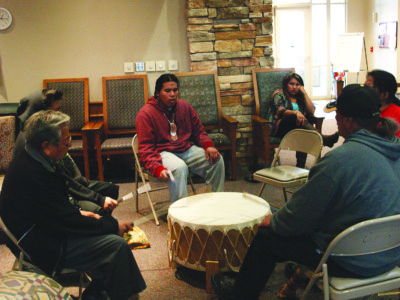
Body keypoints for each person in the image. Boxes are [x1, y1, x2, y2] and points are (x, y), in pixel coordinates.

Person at [211, 84, 400, 300]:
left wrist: (274, 221)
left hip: (350, 260)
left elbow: (298, 217)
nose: (336, 119)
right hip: (390, 253)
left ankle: (240, 294)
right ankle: (298, 269)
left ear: (348, 121)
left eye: (337, 114)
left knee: (267, 236)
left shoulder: (340, 161)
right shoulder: (395, 149)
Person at [0, 110, 146, 300]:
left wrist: (81, 212)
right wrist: (111, 225)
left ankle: (105, 292)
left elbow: (55, 209)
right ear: (47, 146)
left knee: (105, 229)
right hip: (43, 245)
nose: (69, 145)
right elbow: (63, 220)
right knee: (116, 245)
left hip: (46, 229)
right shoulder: (32, 174)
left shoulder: (34, 156)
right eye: (66, 141)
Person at [13, 89, 119, 215]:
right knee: (100, 212)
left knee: (111, 190)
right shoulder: (30, 141)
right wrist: (91, 207)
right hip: (57, 196)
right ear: (42, 113)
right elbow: (62, 185)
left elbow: (63, 176)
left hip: (67, 185)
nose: (69, 144)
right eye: (55, 110)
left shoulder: (40, 134)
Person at [136, 73, 225, 202]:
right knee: (179, 167)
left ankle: (216, 202)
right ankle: (180, 214)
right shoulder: (145, 114)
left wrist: (208, 145)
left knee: (216, 160)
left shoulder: (184, 106)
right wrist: (157, 167)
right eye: (167, 90)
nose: (172, 94)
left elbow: (198, 131)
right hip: (162, 153)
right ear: (157, 93)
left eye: (175, 90)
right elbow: (146, 149)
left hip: (185, 149)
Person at [266, 73, 339, 168]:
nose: (294, 87)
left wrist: (304, 93)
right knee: (295, 118)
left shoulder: (300, 96)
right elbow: (280, 111)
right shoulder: (279, 94)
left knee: (304, 132)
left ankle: (300, 166)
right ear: (286, 84)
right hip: (280, 128)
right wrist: (296, 113)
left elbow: (311, 111)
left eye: (297, 85)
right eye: (291, 84)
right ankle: (322, 139)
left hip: (297, 128)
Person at [364, 69, 400, 138]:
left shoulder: (397, 114)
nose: (364, 92)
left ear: (384, 95)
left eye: (369, 88)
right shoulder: (364, 111)